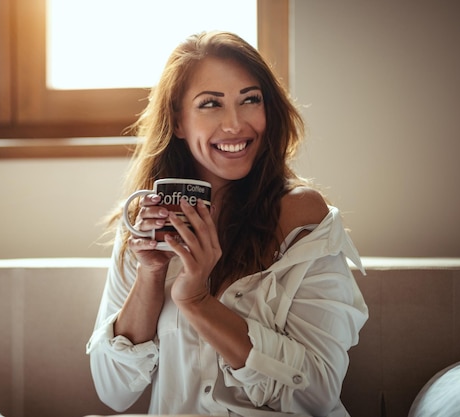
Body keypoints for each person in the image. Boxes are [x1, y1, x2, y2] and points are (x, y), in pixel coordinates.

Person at [86, 31, 368, 417]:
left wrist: (198, 301)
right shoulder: (146, 221)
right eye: (210, 104)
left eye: (250, 100)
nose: (235, 124)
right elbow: (112, 391)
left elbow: (315, 391)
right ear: (178, 121)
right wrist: (150, 275)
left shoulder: (302, 217)